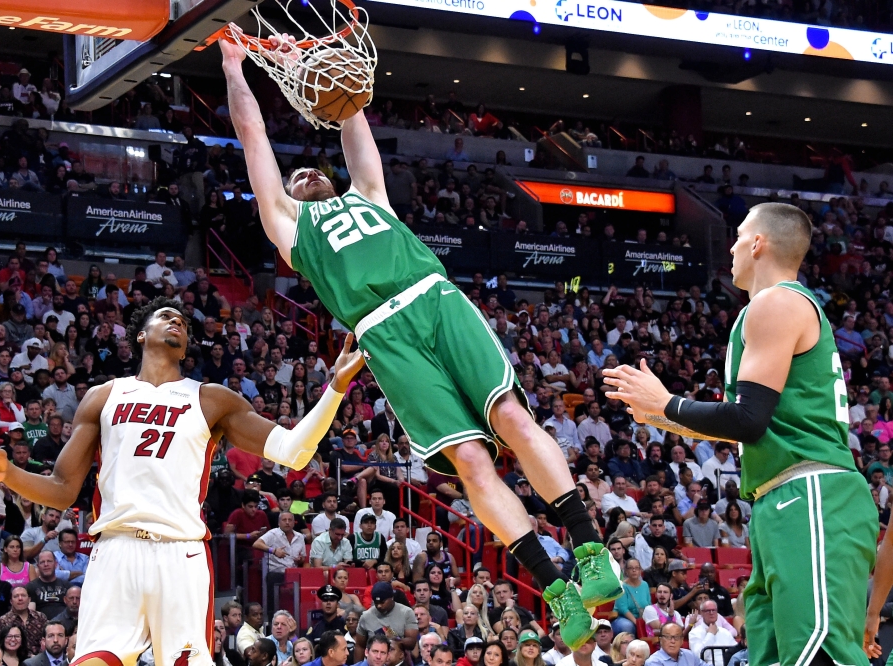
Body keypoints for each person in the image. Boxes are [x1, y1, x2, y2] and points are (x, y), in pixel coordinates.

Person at [220, 33, 620, 649]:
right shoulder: (290, 227)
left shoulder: (369, 195)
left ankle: (589, 548)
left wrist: (342, 86)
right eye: (294, 176)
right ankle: (555, 586)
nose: (302, 173)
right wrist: (233, 66)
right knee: (469, 462)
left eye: (310, 170)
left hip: (435, 299)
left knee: (510, 413)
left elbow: (354, 122)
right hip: (385, 334)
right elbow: (253, 139)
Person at [0, 298, 364, 666]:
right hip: (115, 548)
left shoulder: (210, 399)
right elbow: (63, 488)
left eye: (184, 324)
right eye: (165, 317)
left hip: (180, 553)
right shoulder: (104, 396)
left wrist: (336, 387)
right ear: (141, 335)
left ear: (187, 347)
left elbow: (294, 451)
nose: (177, 323)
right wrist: (9, 474)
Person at [606, 202, 876, 666]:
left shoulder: (778, 302)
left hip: (812, 495)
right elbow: (754, 426)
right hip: (780, 498)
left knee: (819, 655)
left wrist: (666, 403)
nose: (730, 247)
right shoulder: (765, 310)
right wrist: (658, 416)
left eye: (737, 236)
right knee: (773, 657)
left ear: (757, 243)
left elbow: (747, 418)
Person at [354, 583, 418, 661]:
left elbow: (411, 643)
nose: (379, 606)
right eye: (376, 602)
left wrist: (395, 640)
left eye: (382, 602)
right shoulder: (366, 616)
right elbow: (360, 646)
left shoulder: (406, 613)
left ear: (392, 597)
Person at [686, 602, 736, 666]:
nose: (711, 613)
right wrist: (710, 634)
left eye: (714, 610)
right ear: (701, 613)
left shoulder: (725, 632)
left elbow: (736, 651)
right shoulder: (694, 633)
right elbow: (698, 656)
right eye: (708, 611)